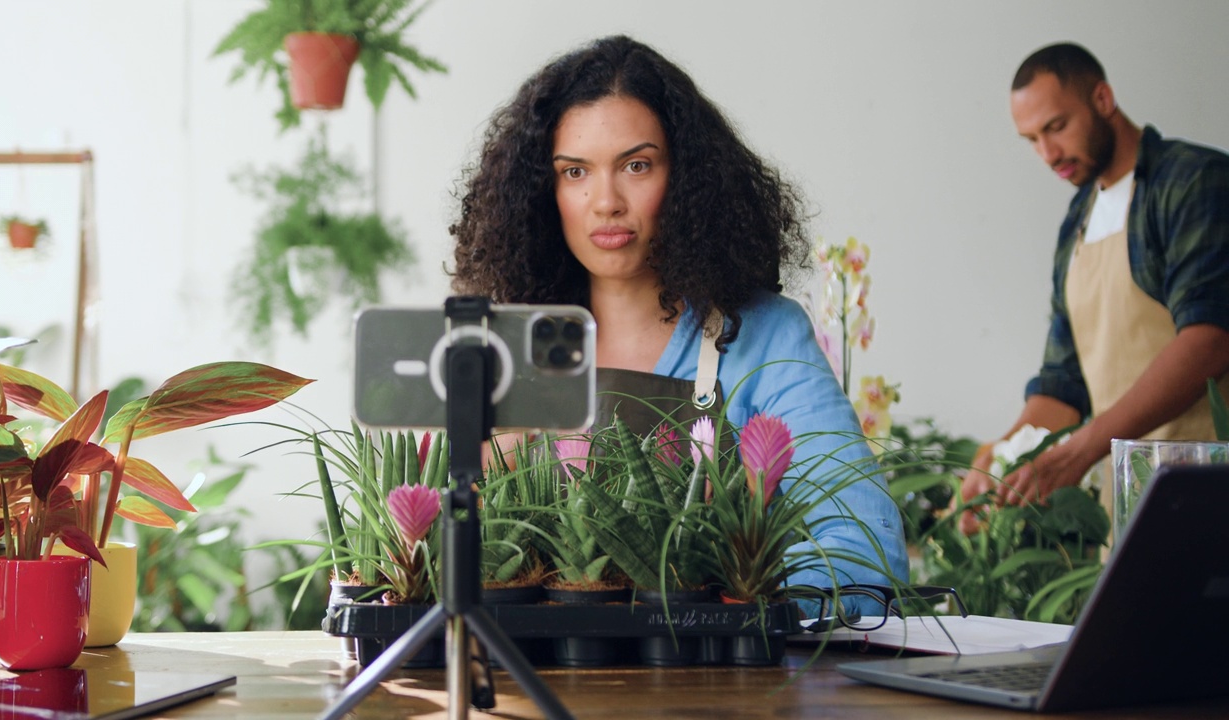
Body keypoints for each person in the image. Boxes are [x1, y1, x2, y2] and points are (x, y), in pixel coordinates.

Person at [448, 35, 909, 592]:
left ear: (688, 177)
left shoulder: (765, 337)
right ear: (541, 192)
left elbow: (863, 553)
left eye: (636, 165)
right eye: (575, 172)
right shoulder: (502, 350)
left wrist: (731, 619)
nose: (606, 200)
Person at [959, 42, 1229, 534]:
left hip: (1209, 490)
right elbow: (1062, 387)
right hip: (1129, 508)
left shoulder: (1194, 182)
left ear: (1102, 99)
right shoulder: (1076, 225)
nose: (1048, 154)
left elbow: (1209, 340)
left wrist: (1083, 449)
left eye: (1056, 127)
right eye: (1031, 139)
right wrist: (998, 462)